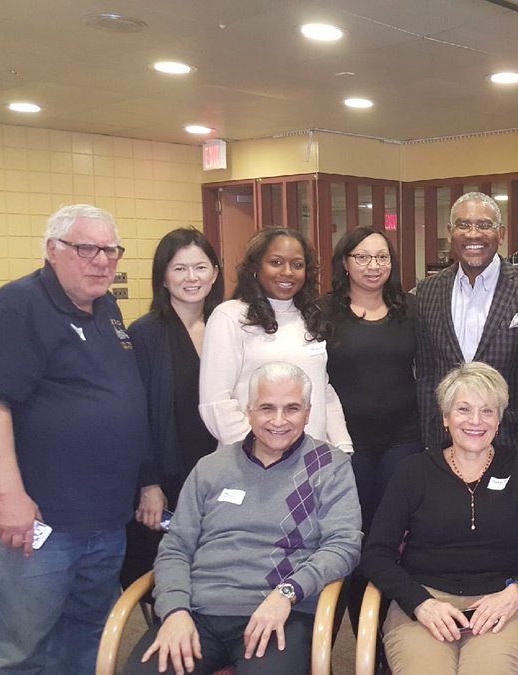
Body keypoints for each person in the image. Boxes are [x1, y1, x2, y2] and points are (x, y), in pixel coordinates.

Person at [0, 204, 151, 672]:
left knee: (85, 641)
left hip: (103, 519)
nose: (102, 260)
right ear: (52, 249)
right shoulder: (16, 307)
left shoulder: (106, 308)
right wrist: (9, 497)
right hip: (36, 522)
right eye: (86, 248)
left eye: (110, 250)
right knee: (14, 652)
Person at [126, 362, 362, 675]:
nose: (278, 420)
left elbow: (343, 545)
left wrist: (287, 593)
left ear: (307, 413)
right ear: (249, 411)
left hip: (282, 612)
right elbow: (176, 547)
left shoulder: (330, 466)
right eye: (267, 408)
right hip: (198, 611)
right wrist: (174, 611)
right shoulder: (211, 467)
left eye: (292, 408)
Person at [360, 362, 518, 675]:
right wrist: (420, 602)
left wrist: (517, 592)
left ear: (499, 420)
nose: (476, 421)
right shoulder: (413, 472)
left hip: (503, 604)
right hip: (425, 603)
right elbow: (376, 554)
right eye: (464, 409)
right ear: (445, 417)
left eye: (487, 411)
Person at [324, 227, 423, 626]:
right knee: (354, 535)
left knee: (394, 535)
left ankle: (390, 630)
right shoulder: (324, 312)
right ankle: (356, 625)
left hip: (403, 440)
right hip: (348, 444)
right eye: (362, 257)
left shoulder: (409, 309)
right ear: (345, 263)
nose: (373, 266)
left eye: (382, 257)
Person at [412, 192, 518, 451]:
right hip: (445, 443)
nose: (473, 234)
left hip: (510, 441)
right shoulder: (427, 292)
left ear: (500, 234)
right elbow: (426, 374)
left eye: (484, 225)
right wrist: (429, 438)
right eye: (463, 225)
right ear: (450, 233)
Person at [122, 227, 224, 587]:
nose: (191, 278)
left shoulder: (229, 326)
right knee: (166, 574)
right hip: (168, 475)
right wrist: (148, 484)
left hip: (222, 472)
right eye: (180, 269)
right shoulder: (144, 334)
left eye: (200, 267)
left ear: (215, 272)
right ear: (163, 277)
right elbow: (136, 418)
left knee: (220, 571)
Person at [199, 227, 354, 454]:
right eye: (276, 262)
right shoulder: (230, 316)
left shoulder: (310, 317)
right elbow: (216, 403)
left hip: (311, 458)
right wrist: (261, 452)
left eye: (297, 265)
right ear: (256, 267)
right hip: (252, 460)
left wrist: (341, 445)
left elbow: (322, 389)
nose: (287, 272)